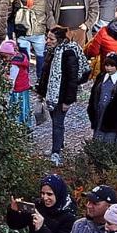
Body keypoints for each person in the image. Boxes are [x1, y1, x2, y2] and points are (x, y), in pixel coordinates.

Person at [36, 26, 86, 165]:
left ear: (60, 40)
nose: (48, 41)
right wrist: (41, 92)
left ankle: (56, 152)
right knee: (56, 122)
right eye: (48, 38)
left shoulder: (68, 53)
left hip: (61, 95)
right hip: (52, 94)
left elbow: (72, 80)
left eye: (51, 39)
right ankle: (58, 147)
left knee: (58, 124)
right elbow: (45, 74)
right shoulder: (52, 51)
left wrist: (68, 101)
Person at [87, 52, 117, 144]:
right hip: (99, 115)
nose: (108, 68)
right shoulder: (101, 78)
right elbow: (93, 96)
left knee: (110, 144)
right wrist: (91, 111)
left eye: (112, 66)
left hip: (113, 121)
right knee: (97, 142)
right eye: (106, 65)